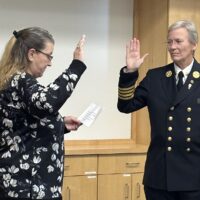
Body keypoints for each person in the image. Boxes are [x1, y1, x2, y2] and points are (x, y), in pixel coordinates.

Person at [0, 27, 87, 200]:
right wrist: (76, 65)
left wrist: (61, 124)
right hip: (26, 187)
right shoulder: (19, 80)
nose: (50, 63)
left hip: (31, 185)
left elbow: (26, 125)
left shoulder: (16, 81)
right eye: (49, 55)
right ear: (32, 54)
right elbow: (47, 102)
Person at [118, 20, 200, 200]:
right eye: (169, 42)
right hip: (159, 177)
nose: (172, 47)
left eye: (178, 41)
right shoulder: (156, 77)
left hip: (194, 176)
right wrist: (130, 72)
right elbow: (126, 106)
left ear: (194, 44)